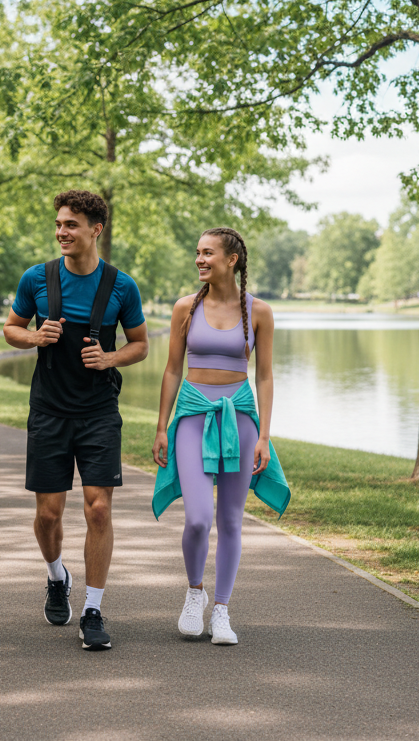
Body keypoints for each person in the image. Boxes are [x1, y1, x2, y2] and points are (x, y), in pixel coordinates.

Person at [3, 190, 149, 651]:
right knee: (48, 514)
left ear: (95, 230)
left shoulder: (121, 286)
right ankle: (55, 576)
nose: (62, 232)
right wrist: (31, 337)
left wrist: (109, 358)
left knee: (99, 508)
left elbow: (140, 344)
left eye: (71, 225)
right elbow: (10, 328)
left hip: (98, 411)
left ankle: (93, 609)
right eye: (59, 225)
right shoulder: (37, 278)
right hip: (48, 408)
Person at [151, 227, 289, 645]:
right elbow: (173, 369)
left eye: (208, 253)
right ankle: (195, 593)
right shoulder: (185, 308)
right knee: (198, 518)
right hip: (193, 414)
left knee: (230, 519)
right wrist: (161, 425)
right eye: (197, 253)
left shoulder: (259, 312)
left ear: (232, 260)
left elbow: (264, 376)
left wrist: (264, 435)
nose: (200, 259)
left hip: (240, 418)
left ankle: (222, 611)